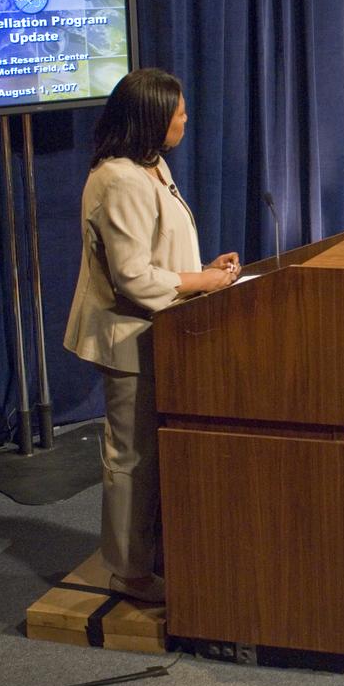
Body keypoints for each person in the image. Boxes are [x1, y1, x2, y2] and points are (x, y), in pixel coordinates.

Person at [64, 68, 241, 603]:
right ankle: (128, 571)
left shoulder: (149, 166)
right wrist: (203, 282)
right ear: (150, 119)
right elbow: (133, 278)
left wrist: (203, 270)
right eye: (178, 111)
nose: (186, 119)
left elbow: (157, 252)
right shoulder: (118, 179)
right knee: (131, 457)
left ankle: (152, 553)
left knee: (155, 454)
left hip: (163, 333)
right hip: (128, 341)